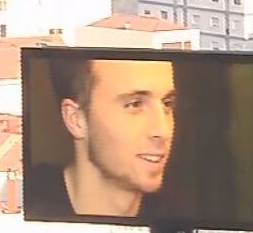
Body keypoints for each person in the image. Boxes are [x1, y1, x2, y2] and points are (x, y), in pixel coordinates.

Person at [29, 56, 176, 218]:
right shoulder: (32, 205)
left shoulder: (173, 215)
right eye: (134, 104)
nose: (163, 131)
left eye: (167, 104)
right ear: (76, 120)